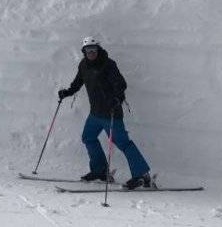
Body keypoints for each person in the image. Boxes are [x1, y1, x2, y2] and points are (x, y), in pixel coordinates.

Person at [57, 37, 155, 190]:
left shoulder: (108, 65)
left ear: (98, 49)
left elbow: (121, 84)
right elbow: (77, 83)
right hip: (95, 113)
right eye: (88, 50)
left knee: (123, 143)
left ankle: (142, 175)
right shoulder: (84, 65)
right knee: (88, 137)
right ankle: (100, 171)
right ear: (84, 51)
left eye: (94, 49)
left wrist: (117, 99)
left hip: (111, 114)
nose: (91, 52)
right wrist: (67, 92)